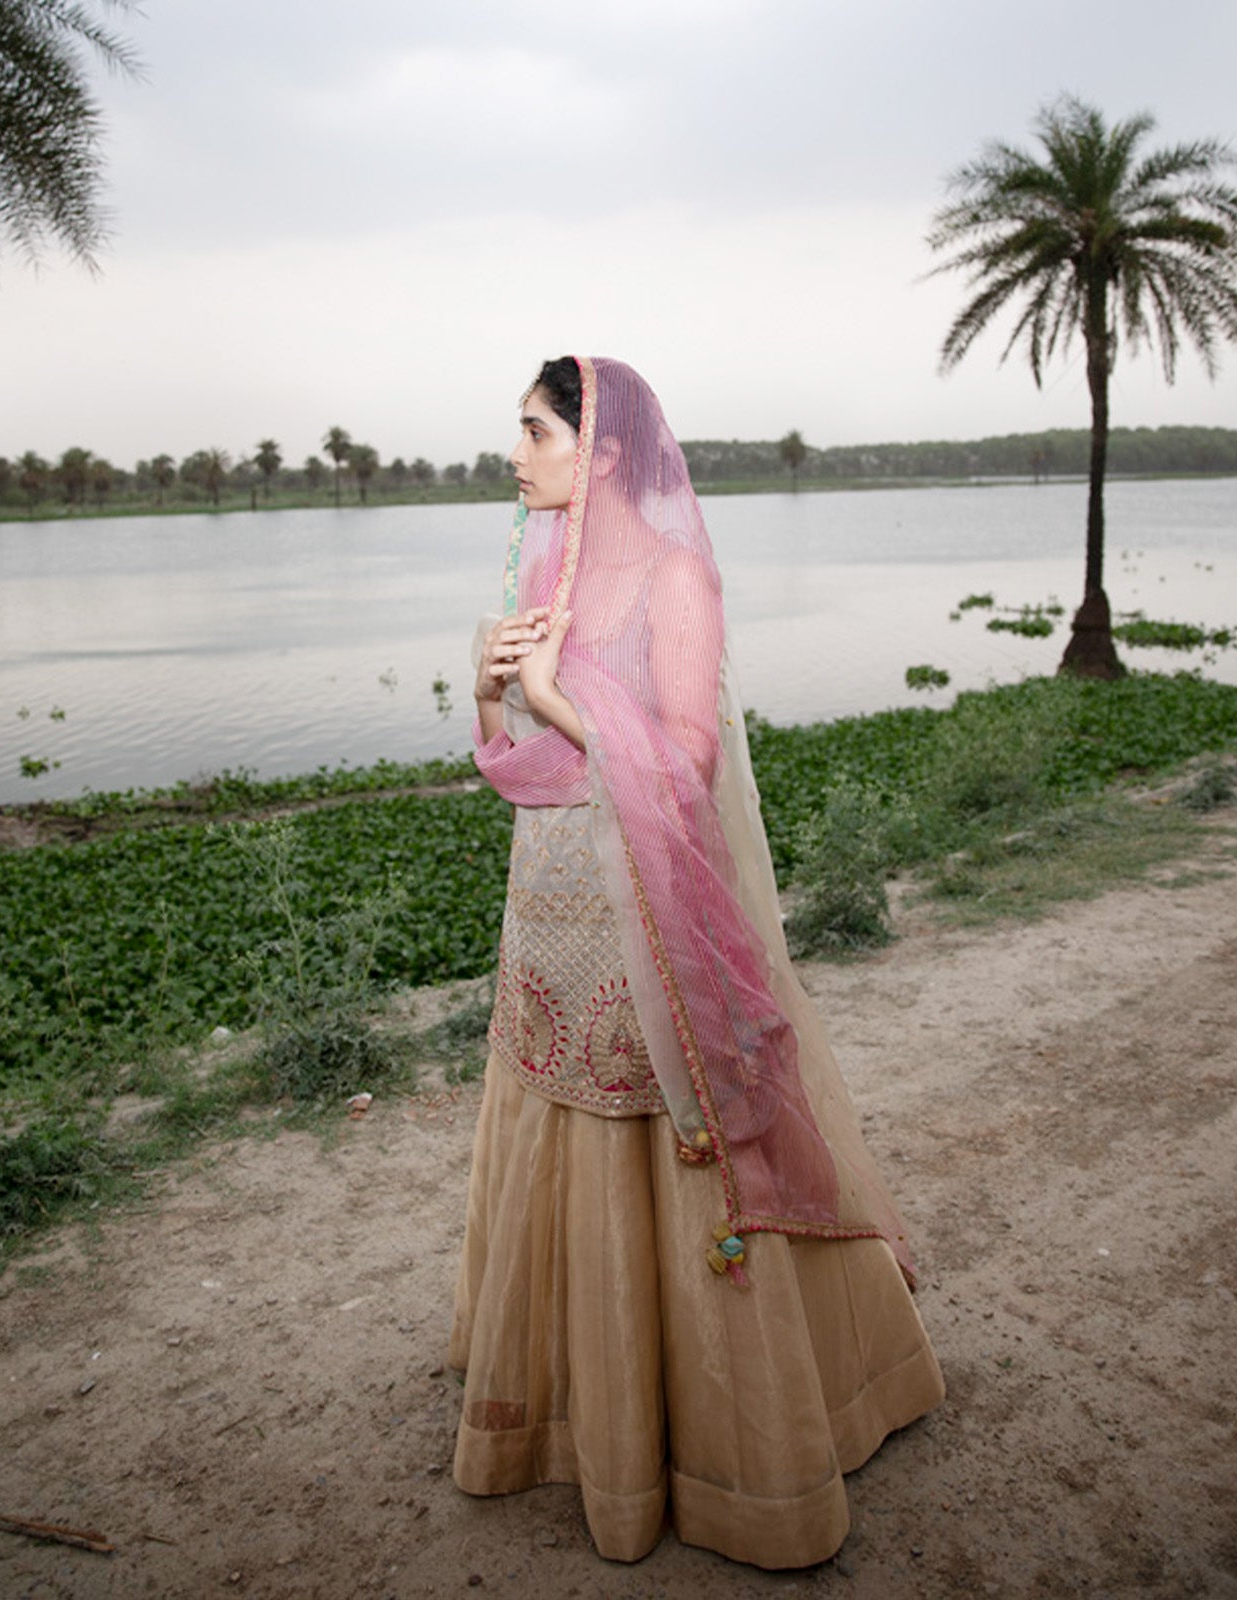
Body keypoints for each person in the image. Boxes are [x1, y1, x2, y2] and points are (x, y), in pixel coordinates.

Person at [447, 356, 943, 1569]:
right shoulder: (544, 572)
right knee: (556, 1136)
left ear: (599, 449)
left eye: (532, 433)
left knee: (664, 1157)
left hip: (641, 942)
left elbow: (685, 765)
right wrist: (490, 692)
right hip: (548, 929)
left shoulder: (673, 577)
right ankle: (569, 1408)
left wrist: (562, 700)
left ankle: (727, 1452)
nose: (513, 456)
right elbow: (519, 772)